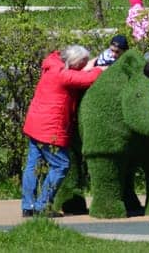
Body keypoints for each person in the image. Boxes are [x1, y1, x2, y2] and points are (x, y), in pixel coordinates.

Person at [22, 44, 102, 217]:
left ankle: (28, 206)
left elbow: (76, 74)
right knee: (61, 165)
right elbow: (86, 79)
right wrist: (100, 69)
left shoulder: (53, 65)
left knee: (32, 166)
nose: (84, 65)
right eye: (83, 62)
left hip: (35, 124)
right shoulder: (62, 75)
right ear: (74, 62)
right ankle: (43, 206)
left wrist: (90, 64)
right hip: (49, 129)